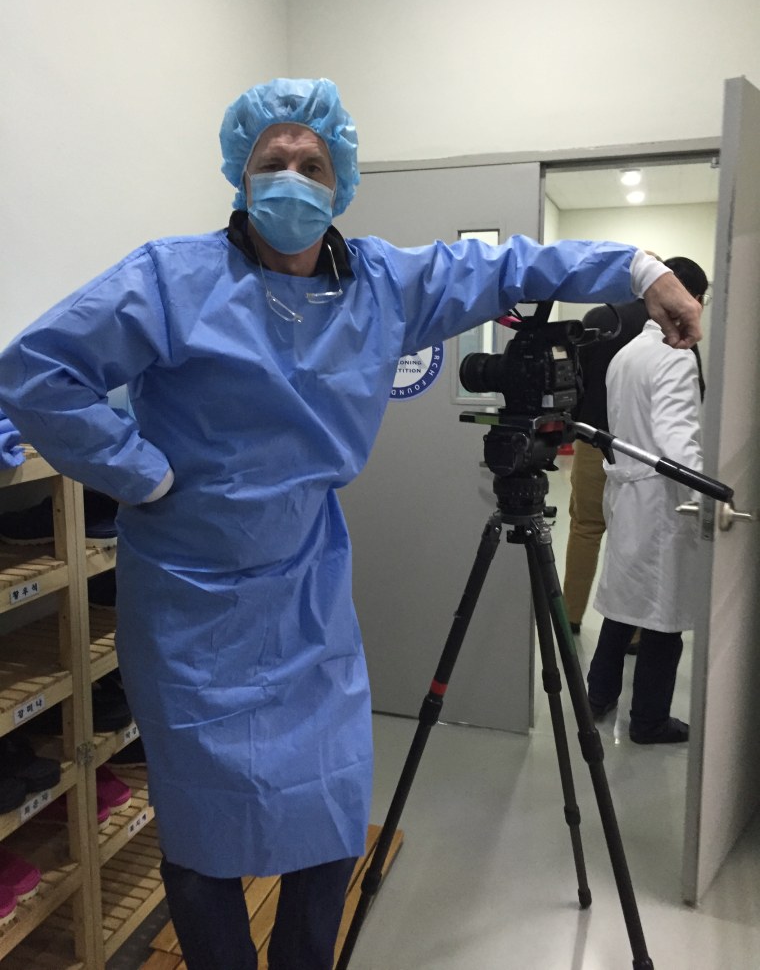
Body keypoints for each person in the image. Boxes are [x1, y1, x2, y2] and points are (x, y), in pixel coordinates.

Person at [0, 78, 701, 969]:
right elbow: (35, 373)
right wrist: (141, 474)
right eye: (272, 162)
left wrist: (644, 270)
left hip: (304, 587)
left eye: (311, 163)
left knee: (329, 818)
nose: (291, 177)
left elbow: (513, 266)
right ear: (240, 175)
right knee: (202, 833)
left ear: (340, 182)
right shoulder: (171, 280)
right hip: (185, 599)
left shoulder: (384, 284)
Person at [586, 258, 707, 745]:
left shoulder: (628, 354)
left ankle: (597, 696)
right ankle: (649, 719)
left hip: (626, 491)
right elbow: (678, 446)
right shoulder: (675, 356)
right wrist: (710, 500)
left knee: (622, 603)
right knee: (662, 617)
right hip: (659, 500)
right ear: (689, 298)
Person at [562, 256, 708, 641]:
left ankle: (570, 615)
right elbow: (691, 409)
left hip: (595, 445)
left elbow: (572, 386)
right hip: (649, 458)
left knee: (585, 530)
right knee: (643, 549)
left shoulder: (599, 318)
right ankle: (638, 634)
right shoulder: (676, 340)